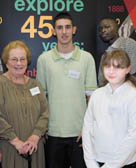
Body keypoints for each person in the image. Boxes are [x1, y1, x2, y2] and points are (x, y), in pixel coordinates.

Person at [36, 12, 97, 168]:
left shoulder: (87, 58)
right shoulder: (44, 59)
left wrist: (88, 129)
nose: (64, 32)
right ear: (53, 31)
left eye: (67, 27)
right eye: (60, 28)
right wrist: (43, 128)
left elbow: (92, 98)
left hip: (79, 133)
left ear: (74, 30)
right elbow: (40, 98)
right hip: (52, 133)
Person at [97, 17, 136, 168]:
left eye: (107, 27)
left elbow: (135, 79)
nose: (103, 31)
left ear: (116, 28)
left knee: (135, 156)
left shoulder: (128, 44)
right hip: (113, 116)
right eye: (101, 29)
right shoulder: (105, 56)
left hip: (130, 112)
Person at [82, 49, 136, 168]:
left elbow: (134, 138)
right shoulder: (97, 94)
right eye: (107, 66)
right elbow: (87, 129)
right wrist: (91, 162)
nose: (111, 71)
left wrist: (110, 166)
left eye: (118, 67)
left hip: (125, 164)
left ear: (128, 69)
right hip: (97, 162)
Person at [0, 40, 48, 168]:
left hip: (35, 147)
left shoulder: (35, 84)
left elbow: (45, 113)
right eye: (14, 59)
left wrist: (35, 137)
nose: (19, 63)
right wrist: (17, 143)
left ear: (27, 61)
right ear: (6, 62)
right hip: (11, 148)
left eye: (22, 59)